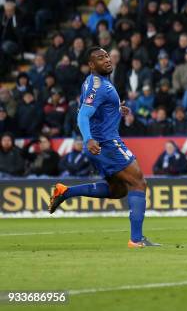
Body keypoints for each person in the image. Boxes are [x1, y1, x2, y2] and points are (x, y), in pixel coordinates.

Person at [49, 47, 159, 248]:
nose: (107, 60)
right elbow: (83, 115)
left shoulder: (99, 83)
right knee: (139, 183)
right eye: (100, 58)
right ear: (91, 65)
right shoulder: (97, 85)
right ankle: (136, 240)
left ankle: (65, 192)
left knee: (117, 190)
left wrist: (117, 111)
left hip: (102, 143)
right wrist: (88, 139)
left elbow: (97, 109)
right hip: (105, 143)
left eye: (107, 56)